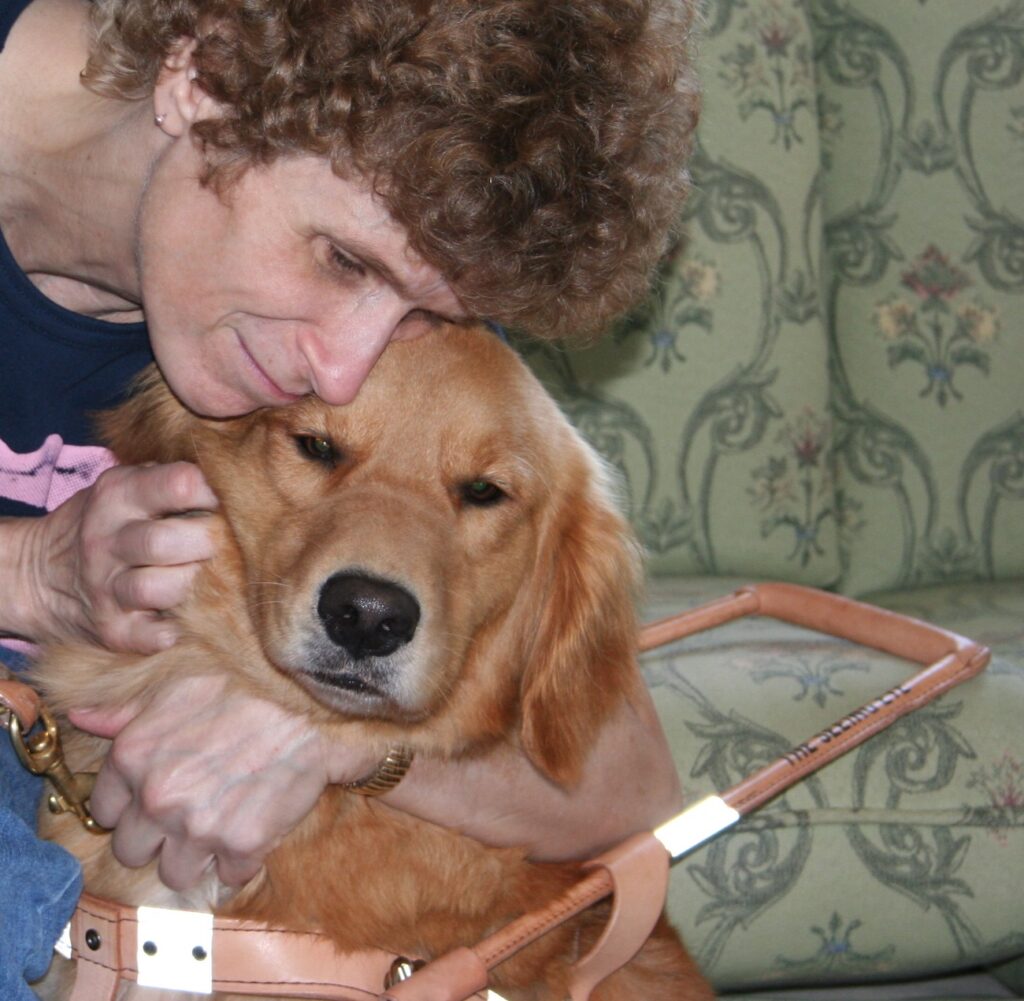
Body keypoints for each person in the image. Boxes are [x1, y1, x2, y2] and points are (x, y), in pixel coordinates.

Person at [0, 0, 699, 993]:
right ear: (201, 75)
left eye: (423, 310)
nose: (342, 361)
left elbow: (625, 778)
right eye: (341, 259)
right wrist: (28, 569)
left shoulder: (377, 259)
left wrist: (333, 737)